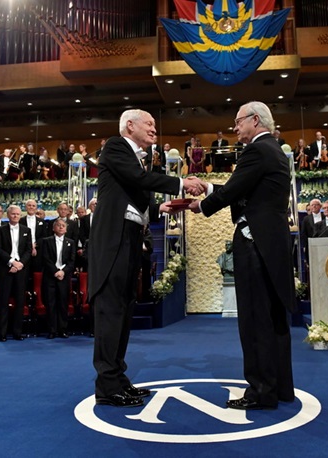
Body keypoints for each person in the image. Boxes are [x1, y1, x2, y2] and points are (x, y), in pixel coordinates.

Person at [88, 108, 204, 408]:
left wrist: (160, 209)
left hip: (129, 241)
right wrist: (181, 183)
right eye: (149, 124)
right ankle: (106, 386)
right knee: (111, 312)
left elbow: (130, 199)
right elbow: (137, 179)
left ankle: (118, 379)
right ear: (130, 125)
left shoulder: (136, 159)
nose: (154, 129)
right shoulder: (116, 146)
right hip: (113, 243)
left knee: (123, 312)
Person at [188, 101, 295, 411]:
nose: (234, 127)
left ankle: (261, 391)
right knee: (273, 318)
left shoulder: (257, 150)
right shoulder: (273, 150)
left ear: (255, 120)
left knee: (254, 319)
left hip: (254, 244)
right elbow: (243, 188)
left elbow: (233, 190)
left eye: (238, 121)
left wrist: (201, 205)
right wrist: (209, 188)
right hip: (271, 245)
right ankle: (279, 387)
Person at [0, 205, 33, 341]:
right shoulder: (0, 230)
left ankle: (17, 332)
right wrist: (11, 262)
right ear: (8, 215)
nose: (15, 216)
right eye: (13, 214)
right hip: (5, 269)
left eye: (17, 214)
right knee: (3, 301)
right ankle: (2, 333)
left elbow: (28, 250)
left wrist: (20, 263)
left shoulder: (26, 230)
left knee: (20, 302)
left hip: (21, 270)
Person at [41, 219, 76, 339]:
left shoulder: (71, 242)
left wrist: (63, 271)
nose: (61, 227)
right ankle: (52, 330)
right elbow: (45, 258)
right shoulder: (47, 241)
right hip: (50, 276)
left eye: (63, 226)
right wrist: (55, 271)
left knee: (63, 303)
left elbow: (72, 261)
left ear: (66, 229)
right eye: (58, 225)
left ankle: (63, 330)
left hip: (64, 277)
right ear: (53, 228)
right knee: (50, 303)